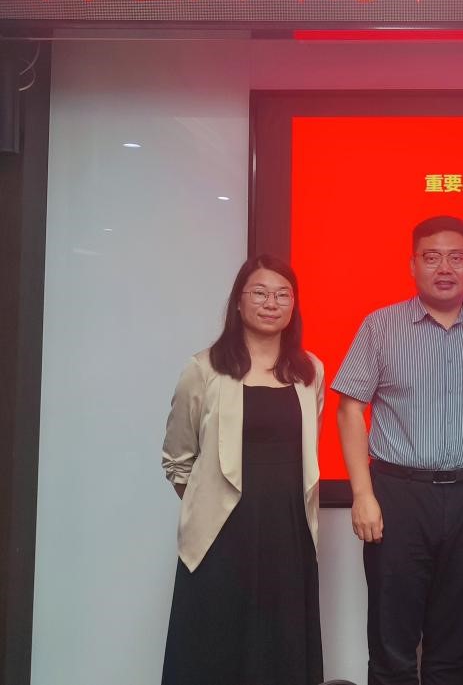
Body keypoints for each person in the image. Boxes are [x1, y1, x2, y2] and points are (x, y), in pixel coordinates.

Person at [332, 216, 463, 685]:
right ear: (412, 265)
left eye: (456, 257)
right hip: (398, 494)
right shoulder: (381, 326)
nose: (444, 268)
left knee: (455, 636)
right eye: (432, 258)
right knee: (392, 637)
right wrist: (362, 494)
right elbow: (350, 410)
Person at [161, 254, 324, 685]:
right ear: (238, 301)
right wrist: (208, 502)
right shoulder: (204, 368)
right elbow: (178, 459)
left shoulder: (310, 371)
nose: (271, 303)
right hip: (222, 532)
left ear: (294, 305)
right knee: (215, 647)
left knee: (282, 646)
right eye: (260, 293)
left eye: (283, 294)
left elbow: (309, 446)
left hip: (288, 529)